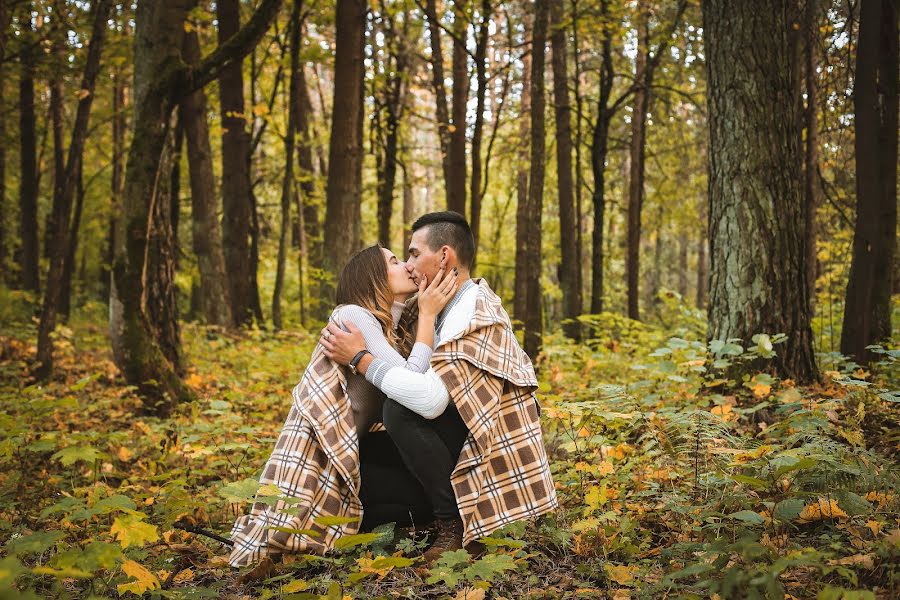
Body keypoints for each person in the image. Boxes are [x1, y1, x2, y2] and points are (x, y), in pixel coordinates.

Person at [321, 211, 558, 562]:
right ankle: (430, 512)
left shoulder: (472, 311)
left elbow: (429, 401)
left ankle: (452, 525)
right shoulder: (438, 305)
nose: (410, 264)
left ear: (444, 255)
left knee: (399, 409)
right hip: (451, 444)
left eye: (414, 254)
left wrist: (361, 359)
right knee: (359, 470)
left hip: (483, 455)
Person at [228, 244, 458, 568]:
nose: (407, 266)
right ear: (372, 277)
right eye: (394, 261)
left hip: (353, 455)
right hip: (323, 460)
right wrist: (429, 315)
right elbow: (411, 380)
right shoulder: (351, 315)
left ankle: (426, 523)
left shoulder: (382, 327)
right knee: (408, 494)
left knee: (417, 492)